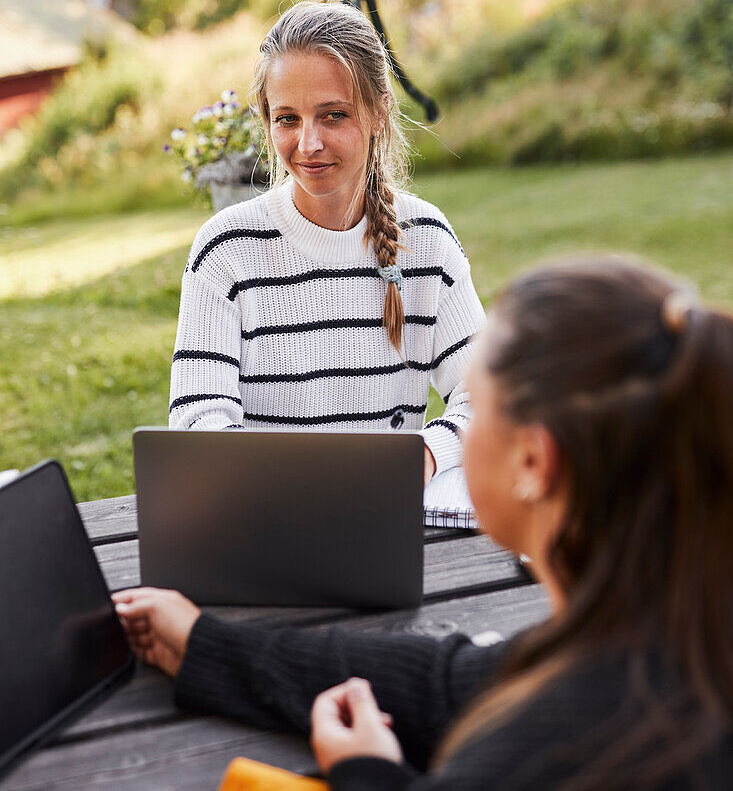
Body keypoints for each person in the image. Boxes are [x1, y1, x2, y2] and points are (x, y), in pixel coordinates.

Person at [116, 256, 733, 788]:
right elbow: (447, 683)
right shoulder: (659, 624)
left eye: (477, 408)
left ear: (534, 461)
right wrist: (204, 644)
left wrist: (369, 774)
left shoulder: (557, 744)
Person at [169, 0, 485, 486]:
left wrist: (421, 458)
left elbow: (488, 396)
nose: (308, 143)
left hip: (385, 519)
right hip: (264, 515)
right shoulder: (225, 249)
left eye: (333, 115)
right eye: (287, 119)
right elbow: (196, 419)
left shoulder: (427, 241)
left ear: (378, 112)